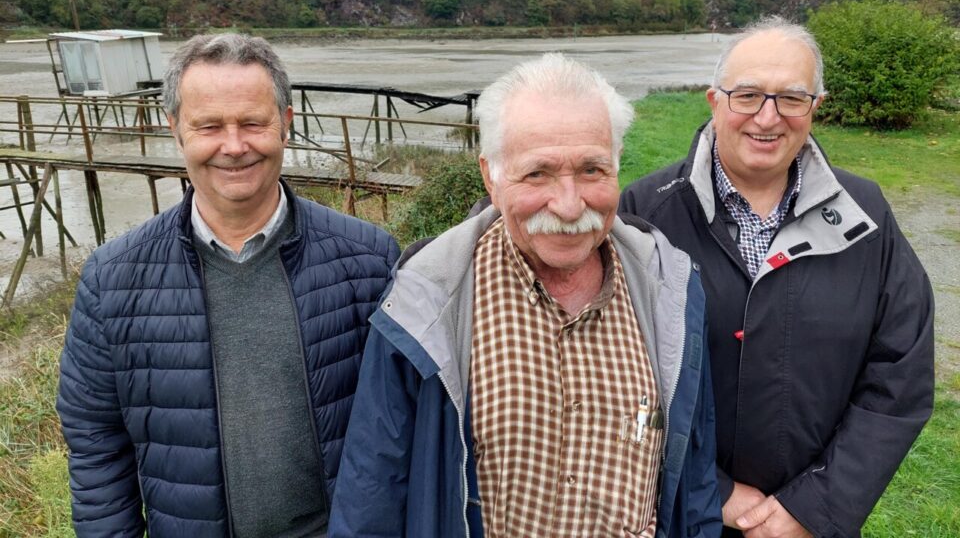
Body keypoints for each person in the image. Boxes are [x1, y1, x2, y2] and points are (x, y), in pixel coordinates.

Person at [329, 53, 722, 538]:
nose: (569, 204)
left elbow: (696, 487)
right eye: (537, 174)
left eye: (592, 170)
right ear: (490, 177)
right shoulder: (425, 302)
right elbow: (372, 495)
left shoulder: (671, 292)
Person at [57, 33, 400, 537]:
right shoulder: (113, 281)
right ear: (176, 130)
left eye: (253, 123)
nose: (234, 146)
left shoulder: (368, 259)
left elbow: (398, 429)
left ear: (285, 124)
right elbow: (96, 444)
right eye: (209, 126)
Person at [620, 17, 935, 538]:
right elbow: (614, 370)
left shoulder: (866, 215)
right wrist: (712, 489)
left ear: (816, 106)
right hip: (679, 513)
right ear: (714, 101)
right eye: (747, 95)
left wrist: (816, 506)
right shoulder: (647, 213)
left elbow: (900, 372)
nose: (768, 118)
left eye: (791, 98)